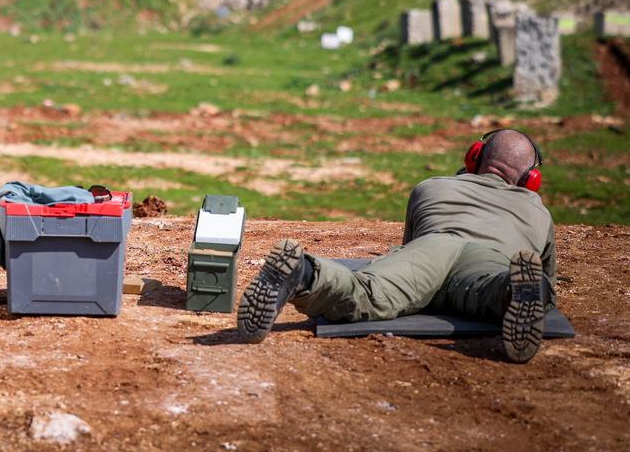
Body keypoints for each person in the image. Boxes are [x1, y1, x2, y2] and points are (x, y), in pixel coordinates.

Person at [237, 128, 555, 363]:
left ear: (475, 156)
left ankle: (304, 273)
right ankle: (514, 289)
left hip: (431, 247)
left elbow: (410, 246)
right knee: (494, 293)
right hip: (490, 260)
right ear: (531, 179)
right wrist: (537, 289)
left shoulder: (431, 188)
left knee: (370, 293)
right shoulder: (539, 213)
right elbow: (550, 284)